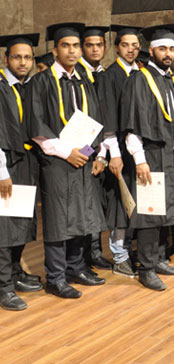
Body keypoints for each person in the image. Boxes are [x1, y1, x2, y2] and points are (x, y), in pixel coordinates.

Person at [25, 22, 107, 299]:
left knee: (82, 214)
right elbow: (36, 124)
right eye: (65, 46)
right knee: (58, 219)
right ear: (55, 50)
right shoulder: (40, 82)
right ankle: (56, 277)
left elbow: (95, 120)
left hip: (82, 158)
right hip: (56, 161)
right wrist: (66, 152)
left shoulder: (84, 80)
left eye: (75, 46)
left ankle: (76, 267)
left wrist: (89, 151)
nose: (71, 51)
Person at [121, 24, 174, 290]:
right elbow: (132, 125)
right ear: (151, 51)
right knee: (151, 213)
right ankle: (146, 267)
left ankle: (161, 257)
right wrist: (139, 159)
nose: (168, 54)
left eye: (171, 49)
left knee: (170, 207)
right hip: (152, 155)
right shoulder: (139, 80)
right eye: (162, 49)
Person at [0, 33, 42, 311]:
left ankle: (15, 272)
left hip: (26, 162)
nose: (23, 62)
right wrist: (1, 172)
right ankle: (3, 287)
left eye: (27, 57)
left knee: (21, 222)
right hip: (7, 165)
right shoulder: (1, 88)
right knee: (5, 228)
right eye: (17, 57)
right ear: (6, 59)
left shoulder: (27, 88)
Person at [97, 24, 141, 278]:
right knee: (120, 204)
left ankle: (130, 250)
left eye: (135, 46)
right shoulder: (110, 76)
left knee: (135, 202)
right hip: (119, 151)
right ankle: (119, 256)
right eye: (125, 45)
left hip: (137, 150)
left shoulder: (141, 74)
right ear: (116, 48)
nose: (130, 50)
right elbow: (107, 119)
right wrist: (112, 153)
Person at [76, 25, 113, 271]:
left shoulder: (104, 75)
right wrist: (91, 154)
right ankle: (81, 258)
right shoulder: (77, 76)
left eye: (99, 45)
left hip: (101, 150)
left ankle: (96, 251)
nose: (95, 49)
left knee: (97, 204)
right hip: (80, 152)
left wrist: (102, 154)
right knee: (83, 206)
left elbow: (105, 118)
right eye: (90, 45)